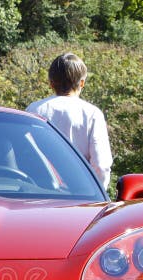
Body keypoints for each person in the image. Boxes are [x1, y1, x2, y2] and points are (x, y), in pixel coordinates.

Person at [26, 52, 113, 189]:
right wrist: (97, 192)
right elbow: (100, 165)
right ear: (82, 83)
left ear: (51, 83)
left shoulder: (34, 109)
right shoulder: (92, 113)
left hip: (38, 192)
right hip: (80, 195)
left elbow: (25, 155)